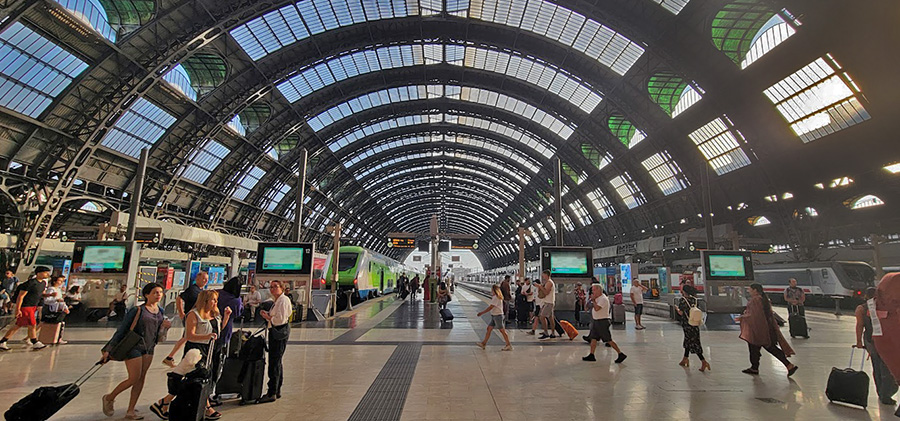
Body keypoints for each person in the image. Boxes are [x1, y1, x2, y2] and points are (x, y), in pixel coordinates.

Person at [150, 289, 229, 420]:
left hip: (209, 350)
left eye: (216, 299)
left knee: (204, 377)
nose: (216, 302)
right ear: (205, 300)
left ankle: (166, 402)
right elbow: (189, 335)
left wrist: (226, 317)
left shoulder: (215, 314)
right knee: (194, 377)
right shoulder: (193, 314)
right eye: (213, 299)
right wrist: (207, 336)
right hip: (195, 350)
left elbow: (218, 331)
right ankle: (205, 407)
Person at [101, 283, 170, 420]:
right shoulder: (138, 310)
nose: (158, 295)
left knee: (141, 378)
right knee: (134, 377)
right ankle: (109, 397)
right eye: (155, 292)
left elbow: (159, 334)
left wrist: (165, 328)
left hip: (149, 347)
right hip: (133, 347)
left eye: (160, 292)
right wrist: (108, 349)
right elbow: (122, 330)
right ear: (146, 295)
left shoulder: (161, 311)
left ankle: (131, 409)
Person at [739, 283, 798, 376]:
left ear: (755, 290)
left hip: (759, 329)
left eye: (749, 289)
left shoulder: (756, 300)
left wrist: (743, 317)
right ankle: (754, 367)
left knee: (768, 347)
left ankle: (789, 365)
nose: (748, 291)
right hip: (765, 326)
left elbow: (755, 315)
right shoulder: (763, 298)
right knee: (755, 348)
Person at [855, 287, 898, 405]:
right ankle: (886, 394)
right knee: (886, 368)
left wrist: (859, 341)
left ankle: (881, 392)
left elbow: (860, 326)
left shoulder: (861, 308)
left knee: (877, 367)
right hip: (884, 341)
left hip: (870, 340)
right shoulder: (883, 307)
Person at [162, 271, 209, 367]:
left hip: (197, 318)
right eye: (203, 278)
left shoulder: (201, 291)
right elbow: (179, 298)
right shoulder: (193, 290)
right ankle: (172, 357)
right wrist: (181, 313)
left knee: (185, 337)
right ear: (197, 278)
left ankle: (170, 357)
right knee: (188, 337)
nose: (205, 281)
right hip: (191, 317)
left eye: (207, 279)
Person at [0, 266, 50, 351]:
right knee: (32, 324)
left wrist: (49, 296)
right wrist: (18, 309)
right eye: (45, 272)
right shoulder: (30, 283)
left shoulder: (43, 284)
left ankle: (3, 341)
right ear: (38, 273)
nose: (47, 274)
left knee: (19, 325)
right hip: (26, 306)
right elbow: (21, 296)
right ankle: (35, 342)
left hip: (33, 306)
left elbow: (38, 294)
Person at [258, 280, 292, 403]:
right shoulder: (278, 301)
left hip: (278, 333)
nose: (272, 289)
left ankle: (272, 391)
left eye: (275, 287)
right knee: (276, 361)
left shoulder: (283, 300)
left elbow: (280, 319)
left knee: (274, 361)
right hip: (276, 332)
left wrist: (268, 317)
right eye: (271, 287)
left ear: (282, 288)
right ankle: (276, 389)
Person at [583, 283, 627, 363]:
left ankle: (620, 353)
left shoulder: (603, 299)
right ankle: (591, 355)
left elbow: (597, 308)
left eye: (594, 290)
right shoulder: (597, 298)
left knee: (608, 339)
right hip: (596, 321)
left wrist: (593, 300)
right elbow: (588, 307)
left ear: (599, 290)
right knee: (593, 338)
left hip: (602, 321)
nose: (593, 292)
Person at [675, 285, 710, 371]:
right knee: (689, 340)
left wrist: (676, 308)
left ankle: (704, 361)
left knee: (693, 342)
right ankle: (685, 358)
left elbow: (681, 313)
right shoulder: (695, 300)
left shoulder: (683, 300)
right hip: (695, 323)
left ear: (684, 291)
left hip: (687, 324)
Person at [476, 284, 513, 351]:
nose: (491, 291)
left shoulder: (496, 297)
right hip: (494, 315)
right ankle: (483, 343)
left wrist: (482, 313)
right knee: (489, 329)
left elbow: (491, 307)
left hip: (498, 316)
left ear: (494, 290)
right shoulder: (495, 297)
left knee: (502, 331)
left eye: (492, 290)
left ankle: (508, 345)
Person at [538, 270, 557, 340]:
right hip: (549, 302)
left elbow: (546, 292)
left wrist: (540, 287)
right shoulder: (548, 282)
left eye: (543, 275)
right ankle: (553, 333)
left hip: (549, 302)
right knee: (550, 318)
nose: (542, 276)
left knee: (542, 317)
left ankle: (546, 333)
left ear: (546, 275)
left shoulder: (549, 282)